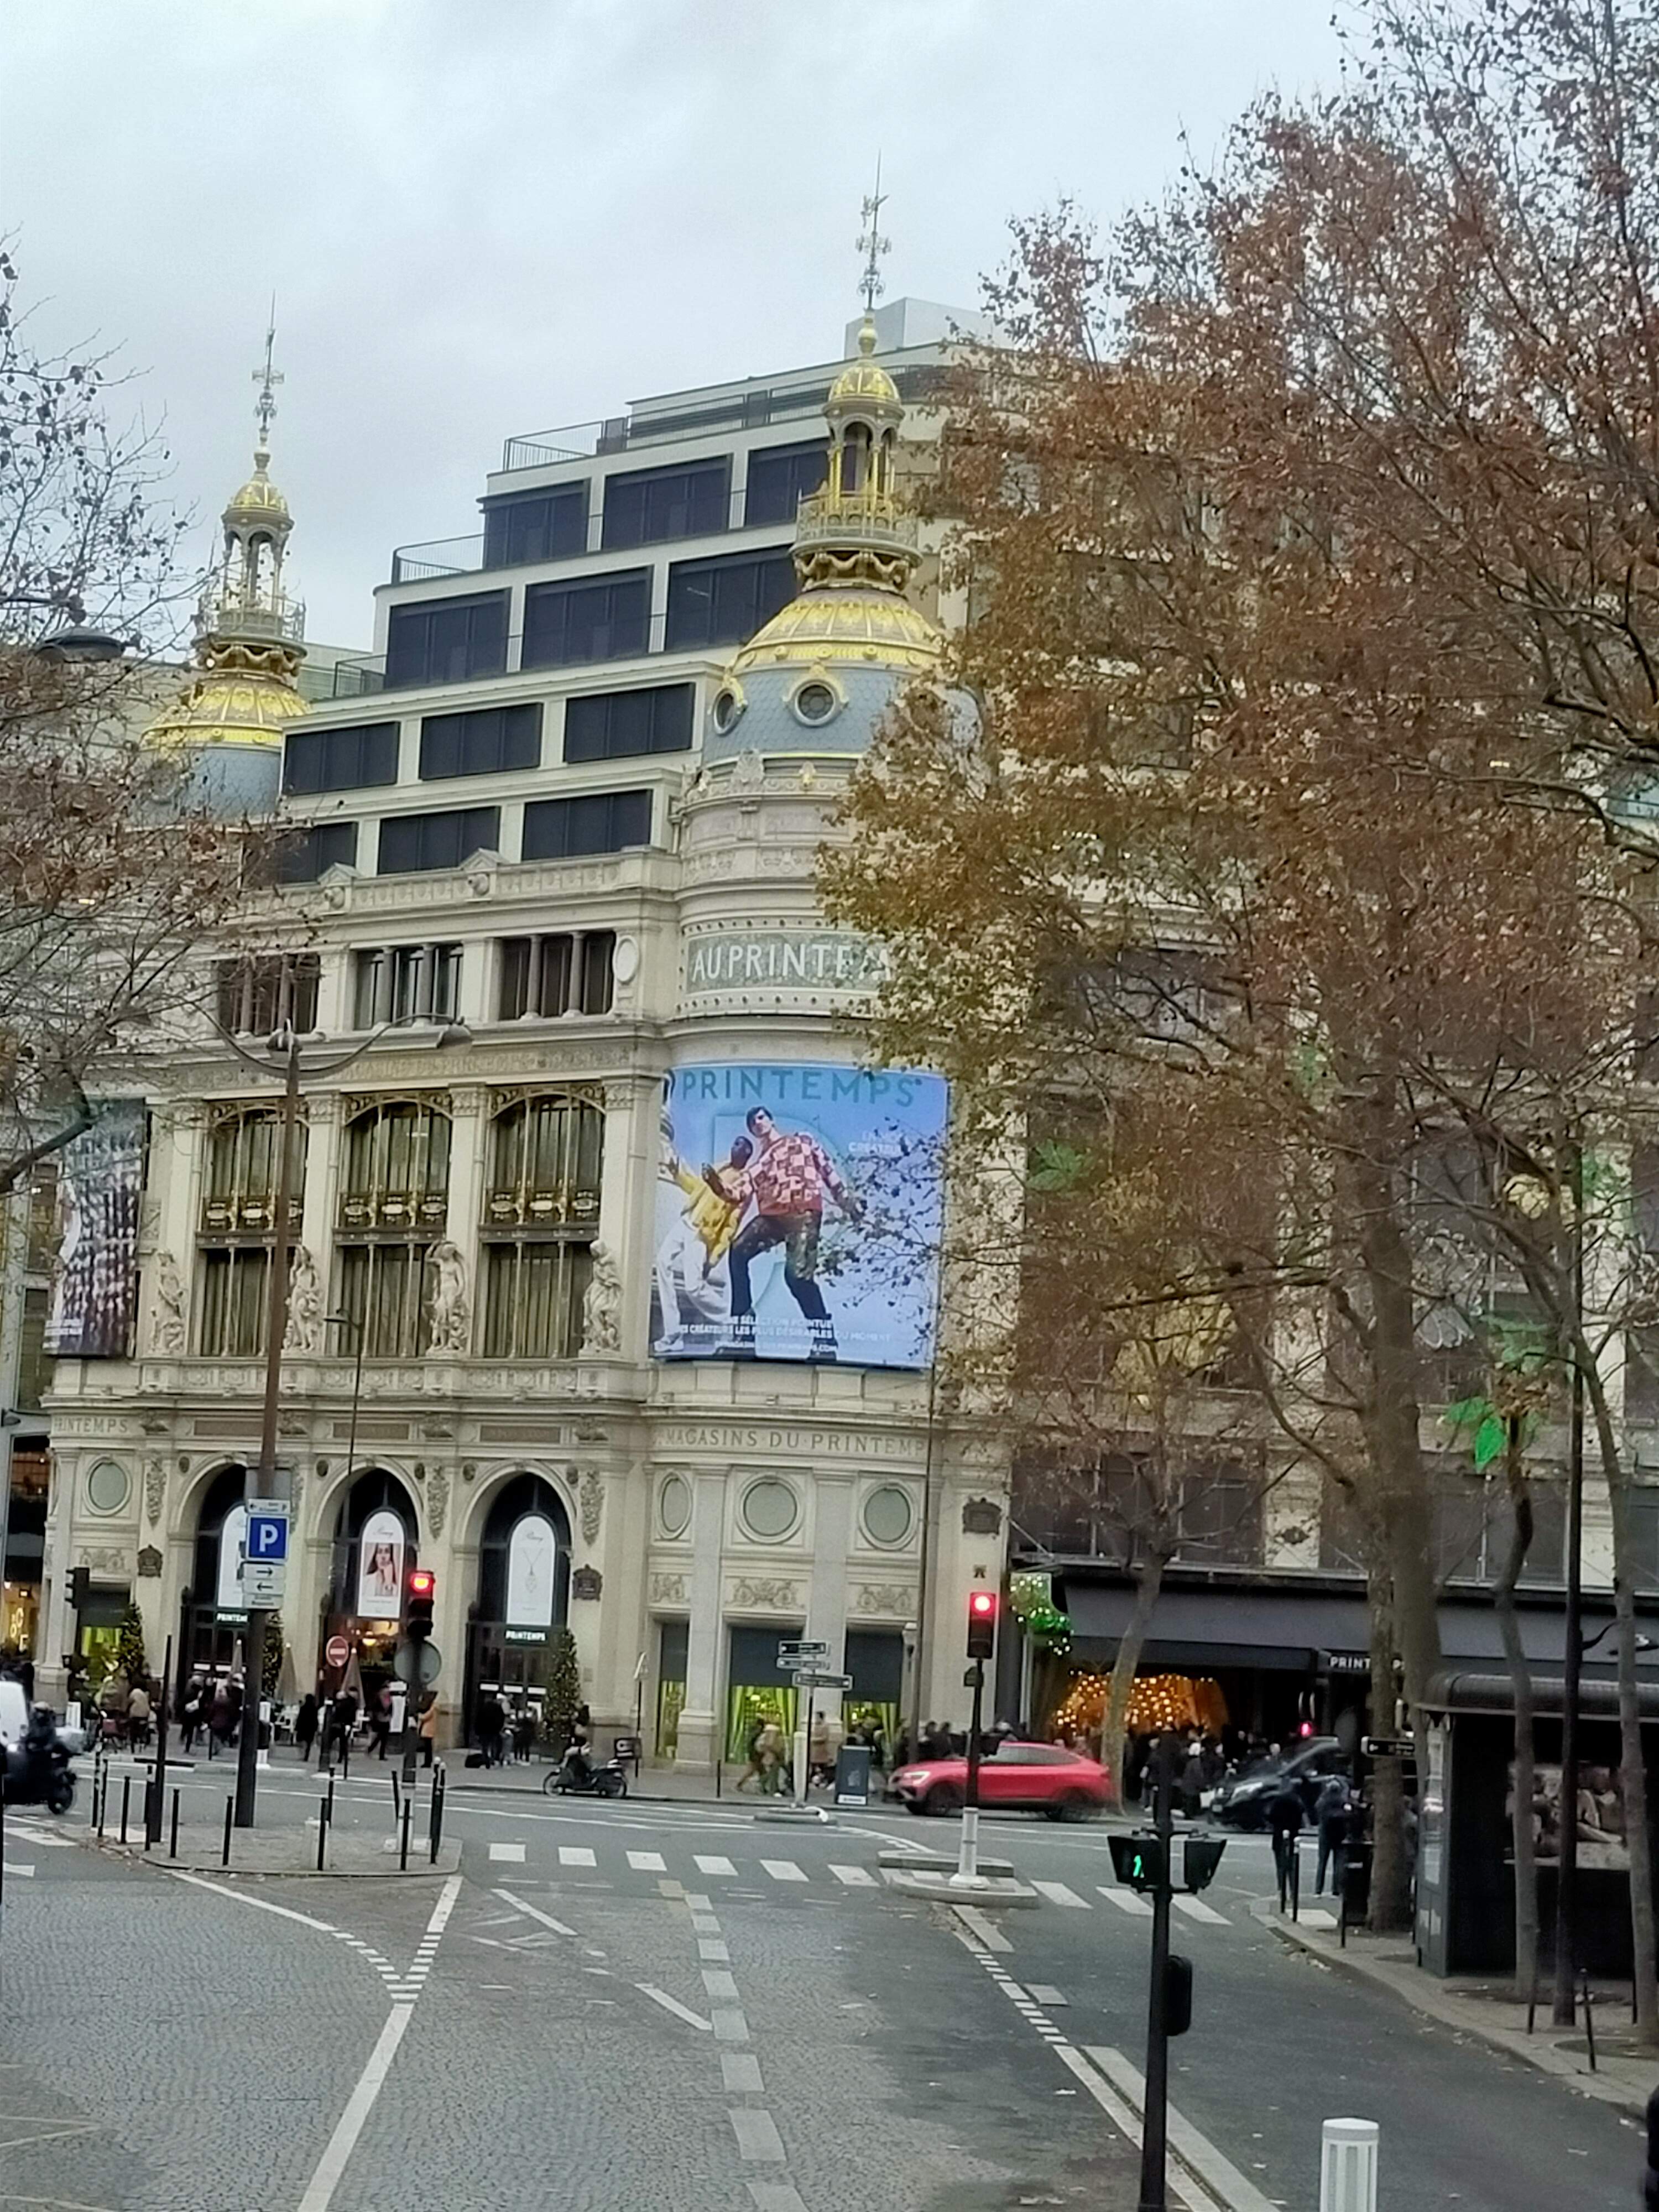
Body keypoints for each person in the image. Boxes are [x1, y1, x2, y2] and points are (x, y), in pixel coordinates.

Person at [719, 1105, 865, 1362]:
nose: (758, 1123)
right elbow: (737, 1193)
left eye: (761, 1118)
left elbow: (828, 1170)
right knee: (738, 1251)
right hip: (773, 1217)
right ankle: (743, 1331)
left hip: (803, 1212)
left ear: (771, 1121)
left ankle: (824, 1337)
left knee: (797, 1277)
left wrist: (846, 1201)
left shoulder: (802, 1141)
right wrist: (716, 1185)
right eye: (753, 1123)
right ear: (753, 1131)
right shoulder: (760, 1164)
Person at [654, 1137, 754, 1354]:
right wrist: (677, 1173)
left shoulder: (744, 1184)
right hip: (687, 1221)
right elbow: (698, 1188)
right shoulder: (721, 1166)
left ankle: (729, 1321)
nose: (733, 1146)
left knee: (693, 1287)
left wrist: (714, 1257)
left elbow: (731, 1227)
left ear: (746, 1154)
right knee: (662, 1263)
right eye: (734, 1142)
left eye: (739, 1145)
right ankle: (672, 1333)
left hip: (702, 1235)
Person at [1268, 1773, 1306, 1911]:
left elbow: (1271, 1817)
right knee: (1292, 1867)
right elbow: (1302, 1814)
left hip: (1279, 1836)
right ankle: (1293, 1893)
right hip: (1293, 1836)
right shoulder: (1296, 1800)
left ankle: (1281, 1892)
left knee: (1280, 1867)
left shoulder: (1278, 1800)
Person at [1314, 1772, 1353, 1895]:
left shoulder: (1323, 1801)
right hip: (1340, 1835)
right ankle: (1336, 1890)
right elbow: (1349, 1815)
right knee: (1338, 1863)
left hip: (1325, 1834)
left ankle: (1318, 1889)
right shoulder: (1342, 1801)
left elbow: (1317, 1809)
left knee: (1322, 1863)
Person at [755, 1715, 786, 1796]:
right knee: (773, 1773)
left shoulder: (767, 1734)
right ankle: (766, 1784)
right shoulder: (773, 1733)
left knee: (774, 1773)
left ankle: (772, 1788)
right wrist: (778, 1753)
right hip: (773, 1756)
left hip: (771, 1755)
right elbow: (772, 1745)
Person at [475, 1692, 506, 1769]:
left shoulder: (484, 1707)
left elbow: (478, 1719)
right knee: (494, 1746)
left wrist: (477, 1731)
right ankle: (492, 1760)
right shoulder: (499, 1709)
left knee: (485, 1748)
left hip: (483, 1731)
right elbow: (501, 1720)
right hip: (494, 1731)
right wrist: (499, 1729)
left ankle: (486, 1762)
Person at [181, 1674, 207, 1754]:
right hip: (195, 1713)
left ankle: (184, 1741)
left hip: (188, 1712)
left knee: (187, 1729)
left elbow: (184, 1701)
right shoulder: (199, 1691)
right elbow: (201, 1703)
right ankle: (188, 1746)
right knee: (191, 1731)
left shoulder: (189, 1690)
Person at [294, 1692, 320, 1762]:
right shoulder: (315, 1709)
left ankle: (302, 1755)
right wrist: (316, 1727)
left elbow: (300, 1718)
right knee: (309, 1743)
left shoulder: (303, 1708)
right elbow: (315, 1719)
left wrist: (297, 1727)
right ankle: (307, 1755)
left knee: (302, 1741)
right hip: (311, 1728)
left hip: (303, 1727)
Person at [418, 1689, 439, 1767]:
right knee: (428, 1747)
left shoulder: (433, 1707)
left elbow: (427, 1716)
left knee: (428, 1747)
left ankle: (428, 1762)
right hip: (429, 1728)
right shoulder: (433, 1706)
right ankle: (428, 1761)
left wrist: (419, 1716)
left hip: (428, 1728)